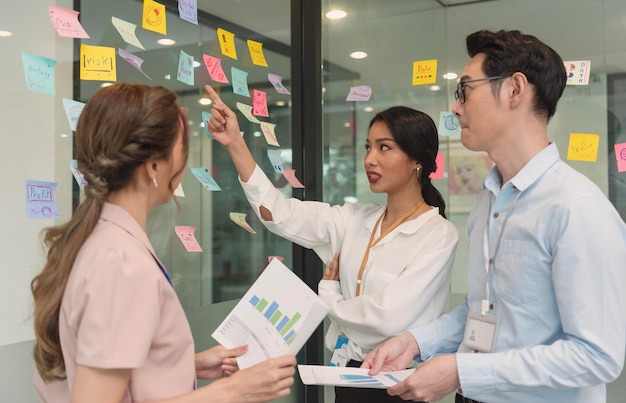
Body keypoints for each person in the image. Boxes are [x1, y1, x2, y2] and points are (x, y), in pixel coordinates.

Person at [362, 29, 626, 403]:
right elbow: (482, 311)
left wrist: (460, 370)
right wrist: (414, 342)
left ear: (515, 90)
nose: (456, 107)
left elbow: (597, 357)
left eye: (465, 90)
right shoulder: (489, 200)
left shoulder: (576, 207)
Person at [30, 83, 296, 402]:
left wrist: (187, 364)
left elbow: (115, 369)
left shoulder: (103, 239)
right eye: (183, 147)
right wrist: (234, 390)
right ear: (155, 166)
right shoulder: (122, 263)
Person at [205, 85, 459, 403]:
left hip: (401, 386)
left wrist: (329, 296)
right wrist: (236, 144)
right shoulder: (354, 219)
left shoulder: (437, 234)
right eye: (368, 147)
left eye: (384, 148)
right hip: (346, 375)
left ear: (417, 160)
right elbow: (279, 214)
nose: (370, 159)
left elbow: (387, 319)